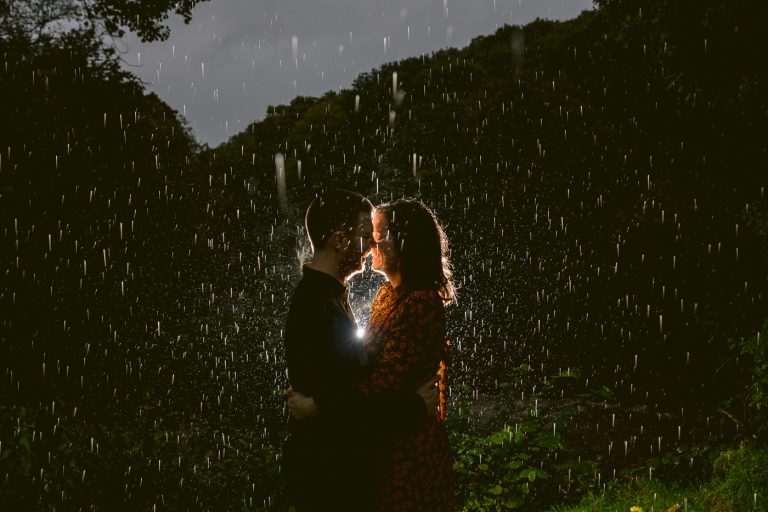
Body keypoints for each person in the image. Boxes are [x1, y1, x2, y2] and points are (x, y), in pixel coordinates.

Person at [290, 198, 456, 511]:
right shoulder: (384, 296)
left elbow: (382, 383)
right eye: (370, 233)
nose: (371, 244)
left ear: (405, 243)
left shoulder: (420, 302)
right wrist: (415, 403)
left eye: (380, 234)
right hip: (381, 445)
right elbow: (366, 371)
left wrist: (318, 405)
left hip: (409, 454)